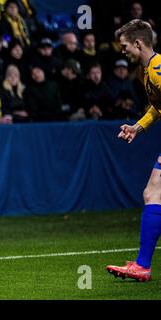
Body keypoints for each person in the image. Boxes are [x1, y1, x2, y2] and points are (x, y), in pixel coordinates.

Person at [106, 19, 161, 282]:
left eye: (125, 46)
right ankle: (142, 265)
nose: (123, 50)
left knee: (153, 193)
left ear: (138, 43)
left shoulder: (159, 70)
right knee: (152, 192)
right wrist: (137, 128)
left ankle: (143, 265)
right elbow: (158, 107)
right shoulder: (147, 71)